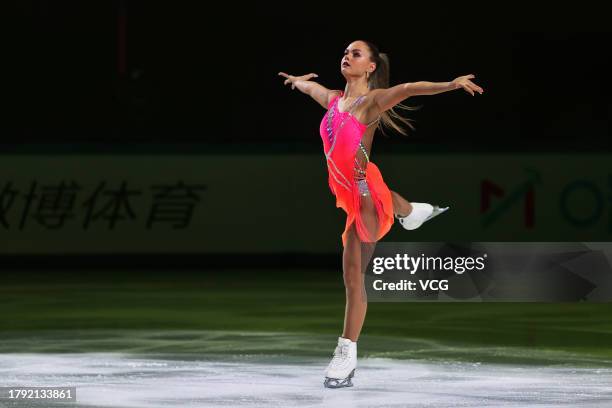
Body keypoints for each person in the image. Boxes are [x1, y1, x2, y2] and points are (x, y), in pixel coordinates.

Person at [278, 40, 483, 388]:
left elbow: (408, 89)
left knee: (354, 276)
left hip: (362, 193)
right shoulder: (332, 100)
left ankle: (346, 354)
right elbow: (310, 88)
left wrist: (449, 84)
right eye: (344, 51)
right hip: (349, 190)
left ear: (371, 67)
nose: (346, 56)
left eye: (356, 53)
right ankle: (414, 211)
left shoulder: (370, 102)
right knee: (379, 196)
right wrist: (297, 81)